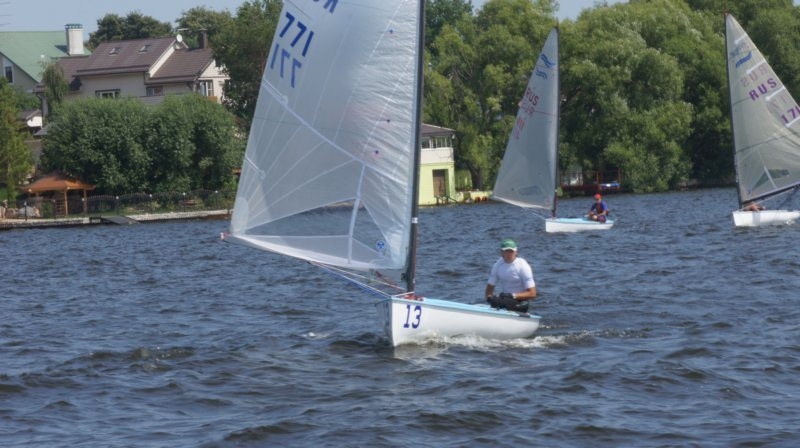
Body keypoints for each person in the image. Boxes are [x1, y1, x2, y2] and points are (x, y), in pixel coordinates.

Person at [485, 238, 536, 313]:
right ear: (501, 252)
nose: (509, 254)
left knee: (498, 301)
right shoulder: (497, 265)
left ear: (516, 252)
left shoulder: (523, 266)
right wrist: (489, 299)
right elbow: (489, 288)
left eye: (511, 251)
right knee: (494, 300)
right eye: (506, 251)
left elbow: (532, 294)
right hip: (506, 299)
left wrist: (512, 295)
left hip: (521, 302)